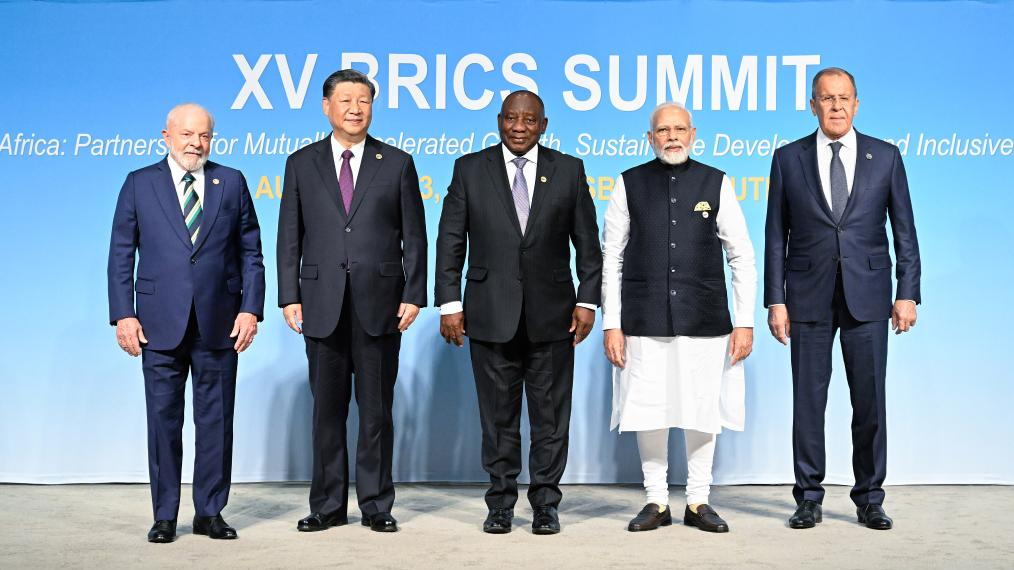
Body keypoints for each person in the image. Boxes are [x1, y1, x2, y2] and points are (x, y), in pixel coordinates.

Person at [435, 90, 602, 535]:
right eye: (511, 118)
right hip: (488, 316)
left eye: (530, 119)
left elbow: (588, 244)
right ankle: (500, 503)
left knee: (550, 419)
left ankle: (546, 503)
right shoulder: (470, 169)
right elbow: (451, 239)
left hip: (554, 317)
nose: (520, 127)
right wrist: (450, 303)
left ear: (544, 125)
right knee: (498, 418)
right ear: (499, 121)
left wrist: (587, 301)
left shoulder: (568, 171)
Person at [764, 67, 921, 530]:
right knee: (808, 403)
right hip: (807, 296)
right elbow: (777, 235)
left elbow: (905, 233)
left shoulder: (886, 157)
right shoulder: (788, 158)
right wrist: (777, 299)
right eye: (826, 98)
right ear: (812, 105)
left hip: (869, 297)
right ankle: (808, 497)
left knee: (869, 401)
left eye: (844, 98)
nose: (835, 106)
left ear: (857, 103)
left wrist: (907, 294)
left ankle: (870, 497)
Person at [277, 69, 427, 533]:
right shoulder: (301, 163)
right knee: (326, 411)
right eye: (345, 100)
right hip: (320, 303)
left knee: (377, 412)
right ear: (327, 106)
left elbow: (415, 236)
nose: (355, 109)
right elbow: (289, 236)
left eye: (363, 101)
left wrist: (414, 294)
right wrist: (288, 296)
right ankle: (326, 505)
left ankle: (376, 506)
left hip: (381, 305)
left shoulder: (397, 162)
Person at [107, 103, 265, 543]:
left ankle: (210, 512)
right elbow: (122, 252)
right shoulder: (140, 184)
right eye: (187, 134)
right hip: (157, 324)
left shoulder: (230, 181)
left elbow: (250, 250)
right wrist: (124, 313)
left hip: (220, 321)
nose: (196, 143)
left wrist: (251, 308)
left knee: (215, 421)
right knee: (163, 421)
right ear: (166, 136)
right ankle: (163, 515)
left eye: (205, 135)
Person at [602, 103, 756, 533]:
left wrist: (744, 321)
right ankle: (655, 501)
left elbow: (741, 254)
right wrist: (610, 323)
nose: (672, 136)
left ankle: (698, 501)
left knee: (701, 409)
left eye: (679, 129)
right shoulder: (628, 183)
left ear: (693, 134)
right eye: (662, 130)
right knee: (648, 409)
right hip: (642, 318)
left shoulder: (716, 182)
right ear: (650, 137)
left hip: (705, 318)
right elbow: (611, 256)